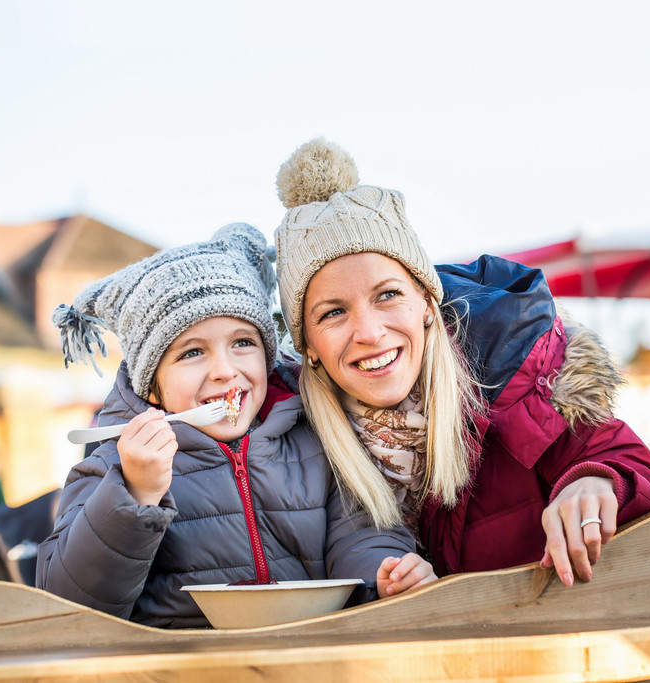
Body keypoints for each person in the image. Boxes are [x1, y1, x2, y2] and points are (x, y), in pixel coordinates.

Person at [273, 139, 650, 588]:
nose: (369, 332)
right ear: (307, 344)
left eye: (387, 294)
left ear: (427, 302)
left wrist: (596, 483)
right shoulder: (287, 446)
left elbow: (622, 464)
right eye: (333, 313)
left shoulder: (514, 384)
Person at [36, 223, 433, 628]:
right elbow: (69, 602)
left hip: (308, 656)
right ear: (151, 386)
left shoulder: (313, 440)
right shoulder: (113, 468)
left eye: (243, 343)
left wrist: (385, 571)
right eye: (192, 352)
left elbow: (359, 532)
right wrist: (136, 494)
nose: (226, 371)